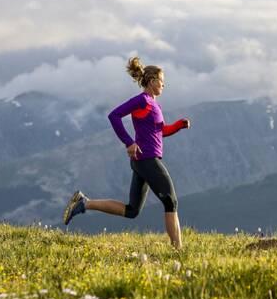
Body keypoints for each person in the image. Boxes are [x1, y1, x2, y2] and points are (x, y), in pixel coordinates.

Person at [62, 56, 190, 249]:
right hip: (146, 160)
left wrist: (179, 125)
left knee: (132, 211)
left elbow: (161, 131)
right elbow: (114, 116)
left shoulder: (155, 105)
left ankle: (83, 203)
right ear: (153, 80)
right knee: (171, 201)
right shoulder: (141, 101)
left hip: (143, 160)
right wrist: (128, 142)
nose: (164, 85)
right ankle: (178, 250)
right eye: (162, 81)